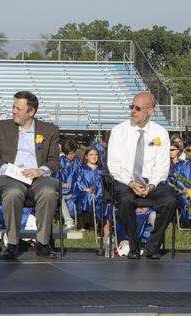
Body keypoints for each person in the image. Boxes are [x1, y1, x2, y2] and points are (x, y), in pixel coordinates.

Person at [0, 91, 60, 259]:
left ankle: (43, 243)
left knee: (48, 191)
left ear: (31, 112)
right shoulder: (2, 127)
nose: (13, 111)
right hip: (10, 177)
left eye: (18, 108)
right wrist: (7, 167)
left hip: (38, 177)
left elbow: (54, 161)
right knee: (13, 193)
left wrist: (41, 170)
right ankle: (12, 243)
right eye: (13, 107)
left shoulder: (49, 131)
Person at [107, 92, 178, 260]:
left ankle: (153, 246)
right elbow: (114, 165)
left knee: (171, 201)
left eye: (137, 108)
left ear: (150, 110)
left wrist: (151, 185)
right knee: (125, 200)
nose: (133, 111)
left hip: (151, 181)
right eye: (132, 107)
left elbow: (162, 166)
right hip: (125, 180)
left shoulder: (160, 132)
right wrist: (131, 183)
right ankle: (133, 245)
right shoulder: (118, 131)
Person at [72, 146, 109, 235]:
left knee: (102, 200)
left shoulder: (102, 170)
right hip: (83, 193)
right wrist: (84, 188)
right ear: (86, 156)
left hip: (99, 194)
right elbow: (76, 182)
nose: (94, 157)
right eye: (91, 155)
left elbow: (105, 184)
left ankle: (100, 224)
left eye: (96, 155)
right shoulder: (80, 169)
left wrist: (97, 191)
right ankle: (83, 224)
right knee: (87, 196)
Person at [56, 139, 81, 229]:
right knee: (60, 198)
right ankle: (68, 221)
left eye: (73, 153)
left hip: (75, 191)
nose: (71, 156)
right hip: (63, 191)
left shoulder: (78, 162)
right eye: (69, 153)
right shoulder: (59, 162)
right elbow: (56, 179)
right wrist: (64, 184)